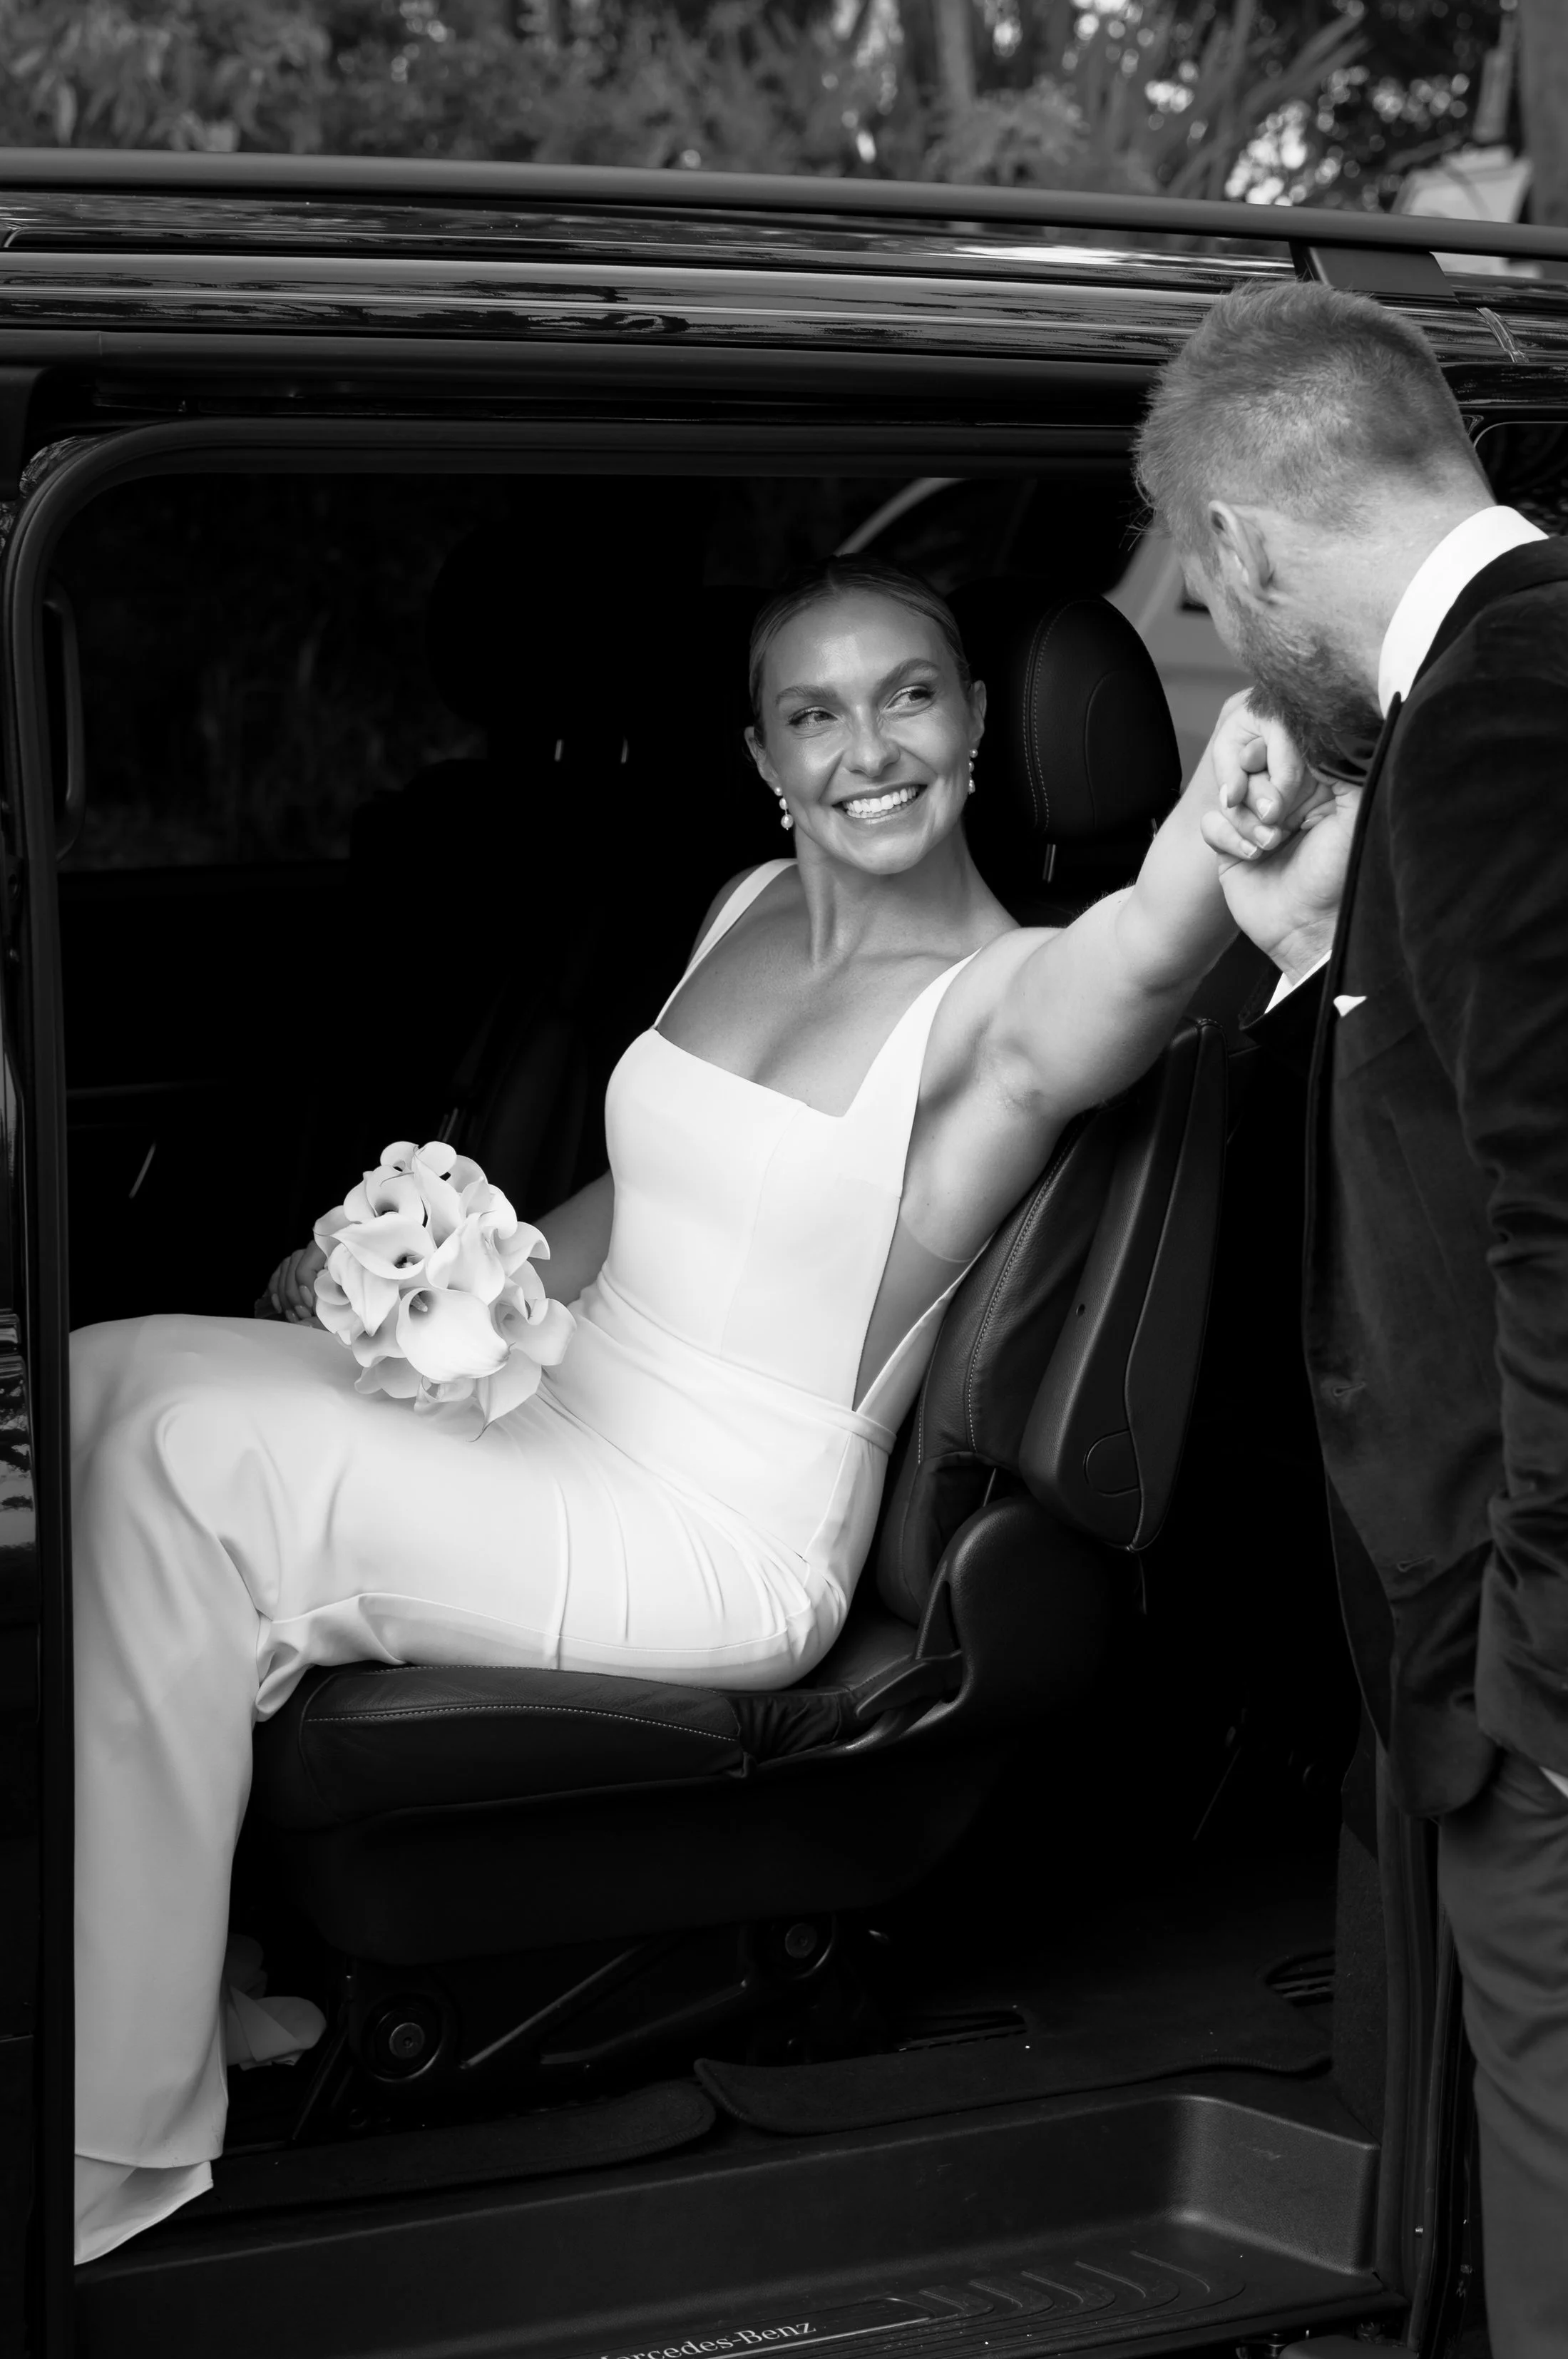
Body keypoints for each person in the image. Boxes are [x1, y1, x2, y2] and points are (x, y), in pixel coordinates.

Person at [72, 554, 1281, 2266]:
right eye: (814, 714)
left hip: (711, 1525)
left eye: (909, 698)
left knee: (181, 1464)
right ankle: (192, 1976)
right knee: (117, 1368)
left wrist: (1268, 726)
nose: (868, 750)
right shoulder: (744, 905)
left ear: (977, 724)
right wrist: (440, 1286)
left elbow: (1154, 948)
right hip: (565, 1397)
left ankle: (111, 2137)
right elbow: (641, 1200)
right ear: (762, 757)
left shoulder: (1002, 1005)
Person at [1136, 280, 1568, 2359]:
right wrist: (1314, 941)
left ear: (1241, 535)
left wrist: (1557, 1693)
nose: (1225, 643)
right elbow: (1559, 1104)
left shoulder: (1513, 723)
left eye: (1205, 591)